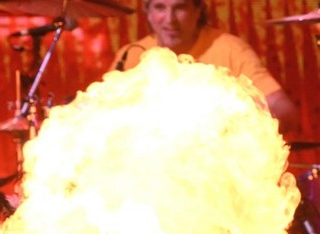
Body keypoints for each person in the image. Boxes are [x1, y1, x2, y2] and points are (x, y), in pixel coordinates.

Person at [111, 0, 298, 134]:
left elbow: (284, 111)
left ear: (198, 10)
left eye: (180, 8)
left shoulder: (231, 49)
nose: (169, 19)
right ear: (148, 13)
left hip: (215, 172)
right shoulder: (131, 55)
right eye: (160, 7)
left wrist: (233, 129)